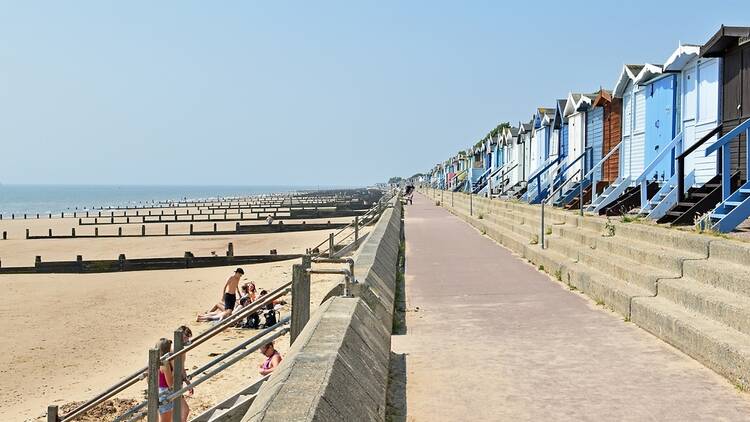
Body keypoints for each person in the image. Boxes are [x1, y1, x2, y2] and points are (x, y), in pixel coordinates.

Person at [156, 338, 190, 422]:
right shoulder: (165, 364)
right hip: (165, 393)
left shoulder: (157, 361)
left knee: (170, 418)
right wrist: (175, 371)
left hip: (163, 391)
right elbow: (170, 383)